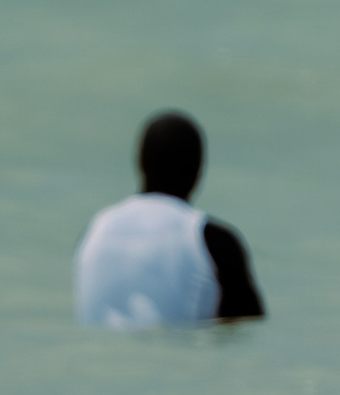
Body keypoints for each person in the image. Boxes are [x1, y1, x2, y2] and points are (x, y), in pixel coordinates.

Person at [72, 110, 265, 328]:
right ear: (199, 169)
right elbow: (249, 338)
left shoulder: (92, 231)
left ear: (139, 162)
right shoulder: (215, 243)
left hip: (93, 360)